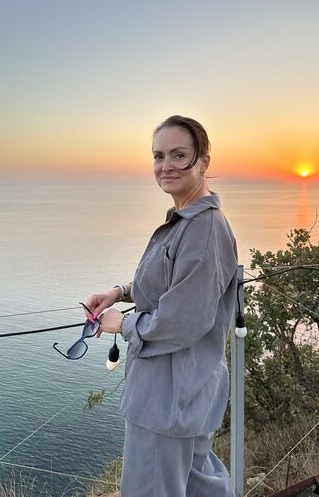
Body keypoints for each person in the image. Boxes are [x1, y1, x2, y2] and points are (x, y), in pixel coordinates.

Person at [85, 115, 238, 497]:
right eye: (159, 156)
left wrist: (122, 324)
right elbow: (172, 284)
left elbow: (181, 322)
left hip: (167, 400)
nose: (166, 165)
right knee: (201, 485)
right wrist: (120, 292)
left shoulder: (202, 230)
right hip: (188, 394)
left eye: (179, 155)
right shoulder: (188, 222)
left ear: (203, 160)